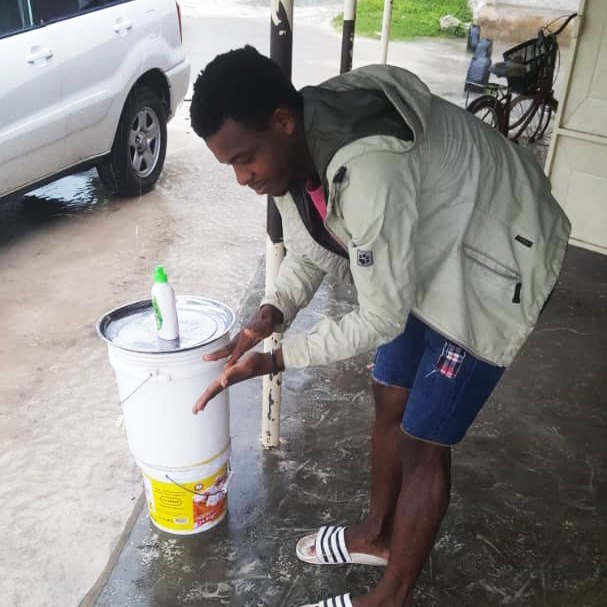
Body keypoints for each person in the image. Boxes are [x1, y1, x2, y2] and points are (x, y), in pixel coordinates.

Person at [188, 46, 570, 607]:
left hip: (497, 260)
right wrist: (268, 316)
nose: (242, 178)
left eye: (245, 160)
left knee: (422, 441)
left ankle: (390, 597)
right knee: (390, 393)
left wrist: (276, 359)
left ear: (282, 121)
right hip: (426, 251)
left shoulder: (368, 171)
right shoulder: (296, 155)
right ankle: (377, 534)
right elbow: (310, 249)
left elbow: (380, 316)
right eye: (231, 167)